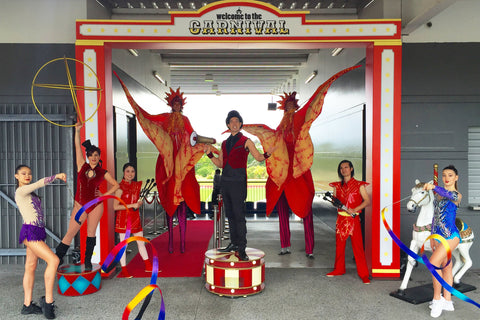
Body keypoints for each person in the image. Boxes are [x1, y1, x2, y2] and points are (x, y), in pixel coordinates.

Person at [242, 66, 359, 259]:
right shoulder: (280, 127)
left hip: (298, 171)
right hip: (283, 173)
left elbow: (311, 108)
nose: (289, 108)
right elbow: (273, 140)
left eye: (291, 106)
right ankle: (285, 245)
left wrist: (328, 82)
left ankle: (309, 248)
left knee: (305, 210)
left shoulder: (299, 120)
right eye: (286, 106)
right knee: (281, 211)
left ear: (295, 107)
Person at [115, 73, 205, 254]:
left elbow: (193, 138)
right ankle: (171, 240)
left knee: (181, 204)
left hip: (181, 162)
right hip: (167, 162)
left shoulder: (185, 120)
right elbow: (149, 118)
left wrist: (205, 145)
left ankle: (182, 242)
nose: (177, 105)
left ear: (182, 105)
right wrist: (137, 108)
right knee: (169, 205)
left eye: (179, 103)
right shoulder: (165, 118)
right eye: (175, 103)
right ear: (171, 105)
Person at [204, 110, 271, 261]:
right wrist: (209, 154)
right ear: (228, 125)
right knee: (231, 216)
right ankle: (233, 243)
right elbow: (220, 164)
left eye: (237, 121)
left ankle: (242, 248)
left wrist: (268, 154)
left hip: (239, 183)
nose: (234, 123)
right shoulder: (225, 143)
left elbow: (259, 157)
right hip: (225, 182)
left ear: (240, 124)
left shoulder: (247, 141)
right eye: (231, 121)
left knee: (239, 216)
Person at [55, 122, 119, 270]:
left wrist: (104, 194)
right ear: (88, 156)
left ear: (99, 157)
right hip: (80, 205)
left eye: (96, 155)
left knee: (91, 233)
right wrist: (77, 131)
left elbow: (116, 185)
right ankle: (57, 257)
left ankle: (88, 261)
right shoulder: (81, 165)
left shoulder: (103, 172)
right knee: (71, 232)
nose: (94, 157)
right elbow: (77, 147)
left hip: (96, 206)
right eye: (91, 155)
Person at [15, 165, 65, 319]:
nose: (27, 176)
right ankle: (48, 303)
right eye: (23, 174)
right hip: (30, 232)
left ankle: (27, 305)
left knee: (30, 266)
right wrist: (56, 176)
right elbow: (38, 184)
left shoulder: (29, 193)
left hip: (37, 231)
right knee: (54, 260)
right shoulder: (20, 191)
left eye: (29, 173)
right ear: (16, 176)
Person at [423, 165, 461, 318]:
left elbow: (447, 193)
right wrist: (432, 236)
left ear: (456, 178)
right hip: (438, 237)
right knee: (446, 267)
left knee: (432, 263)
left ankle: (437, 300)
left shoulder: (457, 195)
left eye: (450, 175)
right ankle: (448, 300)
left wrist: (434, 186)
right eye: (444, 175)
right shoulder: (438, 196)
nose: (446, 178)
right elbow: (435, 217)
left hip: (451, 236)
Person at [327, 160, 371, 284]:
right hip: (341, 219)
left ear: (351, 169)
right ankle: (339, 269)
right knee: (339, 246)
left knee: (358, 247)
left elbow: (367, 201)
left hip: (353, 219)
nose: (343, 170)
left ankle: (363, 274)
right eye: (341, 168)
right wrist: (337, 204)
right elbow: (335, 203)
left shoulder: (359, 185)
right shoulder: (336, 185)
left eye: (346, 167)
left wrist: (355, 209)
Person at [113, 163, 155, 278]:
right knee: (124, 246)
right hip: (123, 219)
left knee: (141, 242)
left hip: (135, 217)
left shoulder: (136, 186)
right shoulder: (119, 188)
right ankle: (124, 269)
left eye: (132, 171)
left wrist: (138, 204)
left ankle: (148, 266)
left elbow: (135, 203)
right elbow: (115, 207)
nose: (130, 174)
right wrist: (133, 205)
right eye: (128, 171)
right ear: (123, 172)